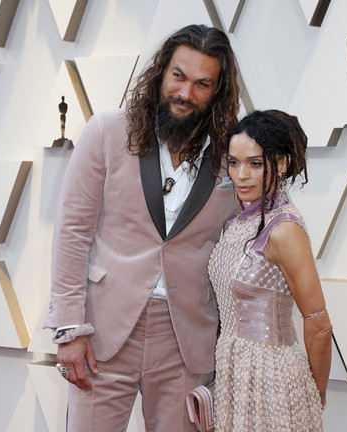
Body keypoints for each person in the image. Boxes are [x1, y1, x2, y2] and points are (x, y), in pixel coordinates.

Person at [44, 24, 241, 431]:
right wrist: (68, 330)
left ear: (218, 91)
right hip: (102, 332)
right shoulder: (106, 132)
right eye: (179, 77)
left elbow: (256, 227)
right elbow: (72, 233)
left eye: (202, 84)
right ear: (161, 73)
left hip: (187, 339)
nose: (186, 93)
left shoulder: (232, 157)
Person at [208, 110, 333, 431]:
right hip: (234, 374)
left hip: (272, 378)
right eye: (234, 163)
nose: (241, 175)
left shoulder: (284, 228)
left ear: (281, 163)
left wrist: (315, 394)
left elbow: (319, 324)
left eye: (254, 163)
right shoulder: (237, 222)